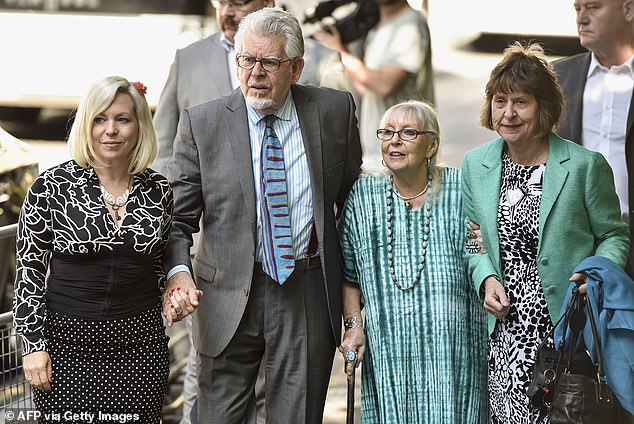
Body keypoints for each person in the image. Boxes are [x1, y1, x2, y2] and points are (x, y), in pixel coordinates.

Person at [161, 7, 362, 423]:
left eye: (269, 62)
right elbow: (178, 221)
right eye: (246, 60)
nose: (255, 72)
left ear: (296, 67)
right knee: (217, 417)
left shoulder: (333, 112)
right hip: (225, 293)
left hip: (305, 289)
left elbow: (351, 205)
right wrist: (179, 273)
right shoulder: (203, 122)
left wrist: (352, 310)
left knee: (296, 416)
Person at [462, 42, 630, 423]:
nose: (508, 113)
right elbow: (474, 237)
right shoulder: (476, 164)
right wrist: (486, 277)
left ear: (544, 108)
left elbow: (615, 234)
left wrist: (597, 270)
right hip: (505, 332)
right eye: (500, 101)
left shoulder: (585, 166)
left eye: (521, 102)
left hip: (566, 330)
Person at [13, 76, 175, 423]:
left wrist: (175, 290)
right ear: (86, 125)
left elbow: (158, 265)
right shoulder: (51, 186)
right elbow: (28, 271)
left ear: (139, 125)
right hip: (66, 351)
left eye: (122, 119)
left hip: (140, 350)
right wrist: (33, 347)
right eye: (99, 119)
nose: (110, 130)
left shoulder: (158, 189)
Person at [338, 100, 488, 423]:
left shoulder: (461, 189)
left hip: (453, 353)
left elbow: (481, 253)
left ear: (432, 144)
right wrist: (353, 327)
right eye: (387, 132)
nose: (394, 140)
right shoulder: (364, 197)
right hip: (390, 354)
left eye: (408, 132)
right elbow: (349, 275)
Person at [552, 0, 634, 276]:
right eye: (577, 9)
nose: (581, 19)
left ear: (628, 9)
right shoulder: (556, 78)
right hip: (579, 249)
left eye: (593, 7)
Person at [313, 0, 435, 166]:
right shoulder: (378, 27)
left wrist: (340, 50)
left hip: (405, 153)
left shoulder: (410, 25)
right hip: (377, 151)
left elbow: (385, 85)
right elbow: (367, 88)